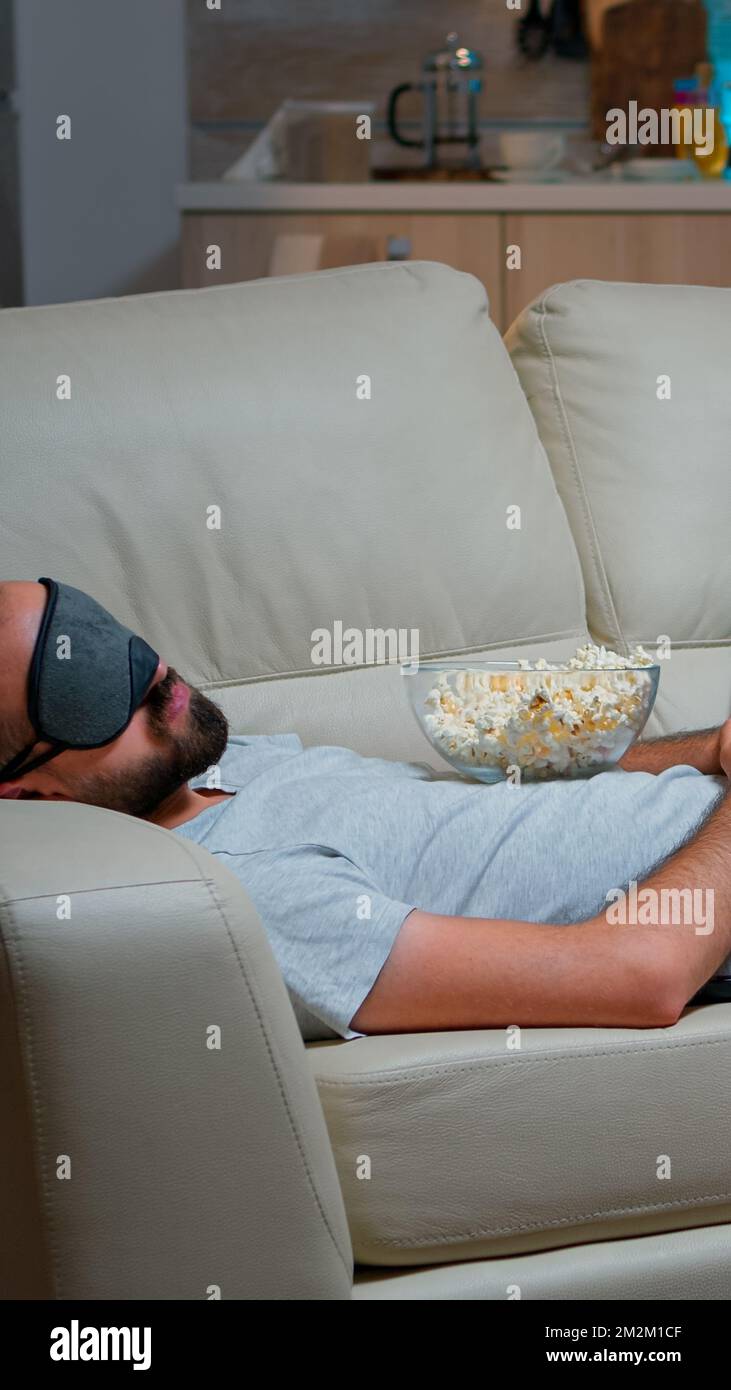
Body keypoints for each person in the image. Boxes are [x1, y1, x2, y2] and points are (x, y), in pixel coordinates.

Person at [1, 578, 730, 1043]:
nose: (154, 674)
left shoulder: (215, 763)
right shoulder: (238, 896)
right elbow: (641, 974)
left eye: (101, 633)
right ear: (28, 794)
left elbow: (494, 800)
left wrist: (712, 747)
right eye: (85, 689)